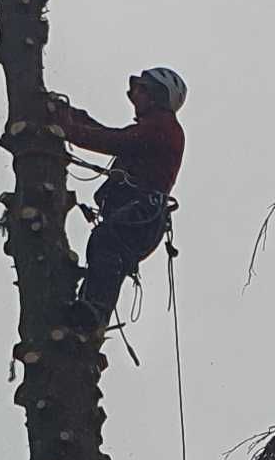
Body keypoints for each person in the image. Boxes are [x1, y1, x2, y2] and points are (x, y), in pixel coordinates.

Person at [53, 65, 186, 330]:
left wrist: (67, 126)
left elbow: (113, 141)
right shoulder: (152, 128)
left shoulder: (163, 127)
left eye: (142, 92)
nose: (136, 98)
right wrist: (74, 117)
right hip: (138, 215)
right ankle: (86, 312)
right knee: (103, 247)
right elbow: (112, 135)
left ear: (158, 96)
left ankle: (94, 314)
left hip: (142, 214)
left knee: (106, 245)